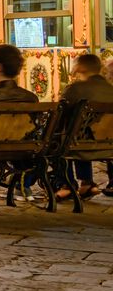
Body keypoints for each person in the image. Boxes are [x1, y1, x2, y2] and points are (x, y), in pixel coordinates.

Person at [56, 53, 113, 200]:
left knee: (59, 140)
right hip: (108, 144)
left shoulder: (76, 89)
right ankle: (87, 183)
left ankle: (67, 185)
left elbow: (60, 114)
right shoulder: (110, 89)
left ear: (80, 67)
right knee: (81, 132)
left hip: (78, 144)